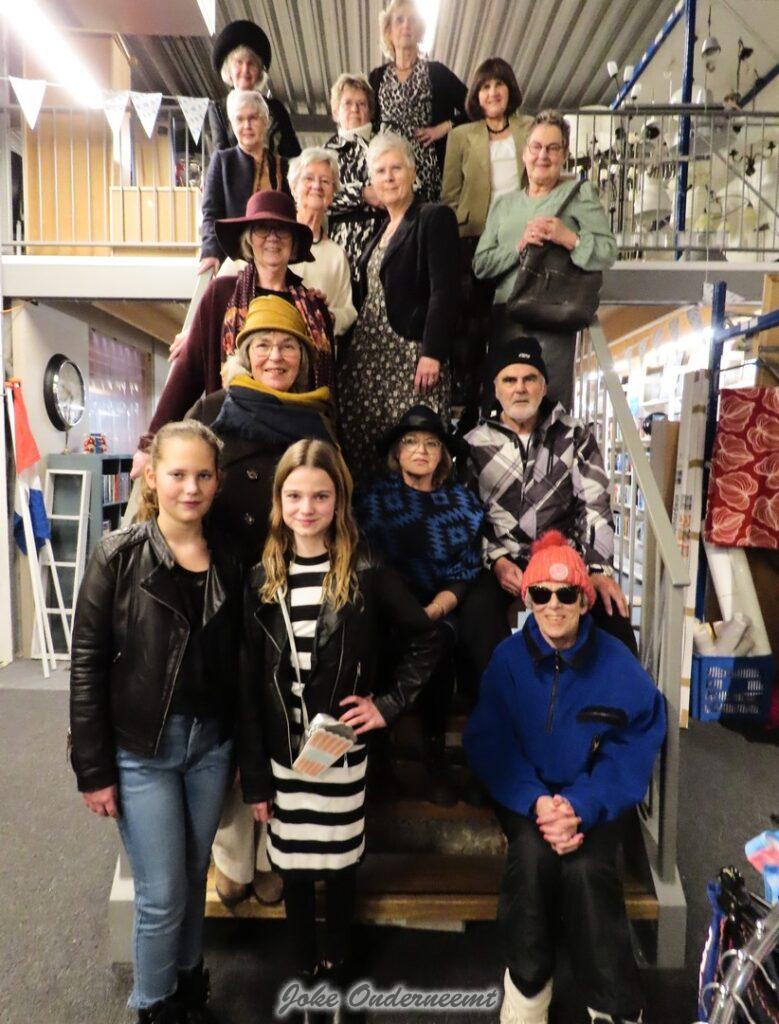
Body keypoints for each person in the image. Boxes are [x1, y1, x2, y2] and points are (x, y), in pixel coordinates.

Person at [238, 438, 440, 1012]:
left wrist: (388, 704)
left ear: (339, 501)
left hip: (342, 750)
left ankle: (340, 958)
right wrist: (255, 777)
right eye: (295, 496)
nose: (307, 508)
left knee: (340, 859)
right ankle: (302, 959)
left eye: (320, 496)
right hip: (283, 752)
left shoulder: (367, 571)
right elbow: (249, 687)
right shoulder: (260, 579)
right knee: (295, 864)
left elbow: (427, 637)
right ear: (278, 501)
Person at [69, 420, 244, 1024]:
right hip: (143, 751)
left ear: (217, 481)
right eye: (177, 474)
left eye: (203, 475)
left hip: (211, 748)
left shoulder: (231, 557)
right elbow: (86, 666)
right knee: (162, 894)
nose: (190, 488)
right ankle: (154, 1004)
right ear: (152, 477)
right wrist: (92, 768)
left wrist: (243, 751)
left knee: (193, 878)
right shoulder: (117, 556)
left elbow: (242, 663)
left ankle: (189, 988)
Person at [463, 530, 665, 1024]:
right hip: (529, 799)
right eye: (541, 594)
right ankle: (528, 988)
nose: (553, 605)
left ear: (584, 599)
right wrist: (537, 801)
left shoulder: (617, 665)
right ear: (528, 599)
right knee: (531, 858)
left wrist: (580, 804)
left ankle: (614, 1003)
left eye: (566, 594)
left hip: (592, 798)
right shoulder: (506, 661)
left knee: (588, 868)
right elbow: (489, 742)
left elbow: (634, 743)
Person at [460, 336, 637, 682]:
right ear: (496, 389)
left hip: (565, 557)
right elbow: (467, 517)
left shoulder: (574, 435)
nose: (520, 388)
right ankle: (505, 700)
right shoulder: (474, 444)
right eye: (510, 380)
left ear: (543, 386)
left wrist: (597, 568)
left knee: (612, 616)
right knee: (475, 616)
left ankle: (613, 705)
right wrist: (496, 560)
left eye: (529, 378)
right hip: (503, 561)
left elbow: (595, 503)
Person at [133, 191, 335, 480]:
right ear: (249, 239)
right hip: (233, 445)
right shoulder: (221, 294)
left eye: (281, 230)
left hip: (294, 450)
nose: (272, 238)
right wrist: (150, 442)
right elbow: (189, 370)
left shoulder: (312, 306)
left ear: (293, 241)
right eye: (262, 229)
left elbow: (329, 388)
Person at [356, 405, 484, 805]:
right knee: (371, 640)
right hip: (380, 610)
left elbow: (464, 576)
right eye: (410, 442)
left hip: (436, 609)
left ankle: (434, 755)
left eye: (431, 443)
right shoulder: (371, 499)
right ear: (397, 452)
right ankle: (379, 759)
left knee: (439, 641)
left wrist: (431, 612)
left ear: (443, 454)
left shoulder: (462, 504)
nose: (421, 450)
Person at [473, 109, 617, 411]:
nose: (543, 155)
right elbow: (481, 265)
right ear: (525, 153)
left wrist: (569, 238)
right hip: (507, 315)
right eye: (536, 147)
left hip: (553, 313)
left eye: (552, 148)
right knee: (501, 407)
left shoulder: (579, 194)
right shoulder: (504, 204)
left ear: (564, 154)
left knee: (549, 405)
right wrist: (519, 245)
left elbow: (607, 252)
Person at [338, 132, 461, 484]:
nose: (389, 177)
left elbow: (445, 291)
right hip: (369, 363)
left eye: (396, 168)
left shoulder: (433, 217)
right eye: (380, 171)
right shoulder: (381, 229)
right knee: (369, 454)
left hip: (410, 358)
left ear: (412, 173)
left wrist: (432, 352)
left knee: (415, 454)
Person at [441, 57, 532, 434]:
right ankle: (470, 412)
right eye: (485, 87)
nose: (492, 93)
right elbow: (449, 194)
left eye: (499, 85)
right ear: (476, 95)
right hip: (475, 240)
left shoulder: (530, 128)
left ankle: (507, 408)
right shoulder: (462, 136)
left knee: (511, 323)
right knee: (473, 329)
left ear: (510, 89)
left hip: (520, 238)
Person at [369, 0, 467, 202]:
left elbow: (475, 106)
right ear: (389, 31)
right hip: (389, 174)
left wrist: (444, 127)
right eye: (399, 20)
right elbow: (367, 126)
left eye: (412, 20)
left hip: (429, 172)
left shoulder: (437, 72)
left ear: (420, 30)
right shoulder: (377, 77)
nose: (406, 25)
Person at [199, 90, 290, 277]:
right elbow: (211, 213)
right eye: (240, 120)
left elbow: (291, 216)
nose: (246, 125)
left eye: (253, 118)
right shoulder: (222, 161)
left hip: (274, 261)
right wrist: (210, 251)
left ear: (265, 122)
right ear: (233, 125)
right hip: (235, 260)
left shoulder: (282, 166)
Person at [287, 147, 357, 340]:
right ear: (293, 188)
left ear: (332, 194)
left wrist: (328, 315)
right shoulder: (273, 240)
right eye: (308, 178)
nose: (317, 186)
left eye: (325, 181)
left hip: (318, 348)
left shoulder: (335, 254)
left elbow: (348, 310)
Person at [324, 73, 385, 288]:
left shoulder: (386, 145)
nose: (355, 109)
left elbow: (409, 186)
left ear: (370, 111)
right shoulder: (326, 153)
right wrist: (362, 193)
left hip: (382, 240)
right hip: (339, 245)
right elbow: (320, 197)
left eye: (361, 104)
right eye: (347, 103)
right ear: (336, 112)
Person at [207, 19, 300, 160]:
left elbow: (293, 155)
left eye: (251, 64)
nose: (245, 70)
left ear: (260, 72)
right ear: (228, 70)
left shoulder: (276, 109)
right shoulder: (218, 109)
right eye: (239, 63)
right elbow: (220, 155)